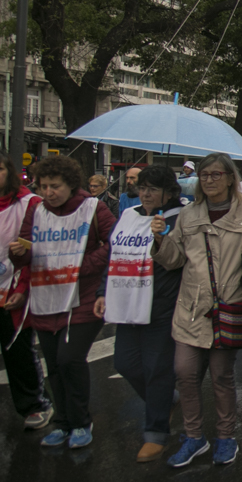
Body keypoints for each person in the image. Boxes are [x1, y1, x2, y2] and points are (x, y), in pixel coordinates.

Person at [152, 152, 242, 469]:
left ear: (229, 178)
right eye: (204, 175)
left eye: (216, 174)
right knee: (185, 374)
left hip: (228, 306)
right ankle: (193, 436)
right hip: (191, 308)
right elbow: (174, 259)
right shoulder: (189, 214)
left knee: (221, 376)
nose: (210, 180)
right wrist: (159, 239)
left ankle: (226, 436)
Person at [8, 155, 117, 449]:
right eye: (43, 186)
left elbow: (115, 243)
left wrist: (85, 265)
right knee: (54, 365)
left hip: (83, 298)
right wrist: (17, 253)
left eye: (54, 186)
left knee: (70, 359)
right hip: (46, 297)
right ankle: (63, 422)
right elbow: (25, 249)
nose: (48, 192)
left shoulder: (94, 208)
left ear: (70, 184)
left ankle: (81, 422)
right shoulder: (36, 211)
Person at [95, 165, 185, 462]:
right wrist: (102, 291)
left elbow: (179, 259)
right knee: (125, 362)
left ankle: (156, 432)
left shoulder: (179, 217)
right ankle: (165, 400)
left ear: (169, 192)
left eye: (153, 189)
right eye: (142, 188)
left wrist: (162, 236)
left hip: (161, 305)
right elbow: (114, 256)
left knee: (157, 369)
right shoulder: (129, 216)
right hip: (126, 302)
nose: (145, 194)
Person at [0, 150, 52, 430]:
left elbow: (38, 246)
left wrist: (23, 287)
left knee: (18, 353)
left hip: (11, 291)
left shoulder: (28, 204)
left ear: (9, 173)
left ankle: (35, 405)